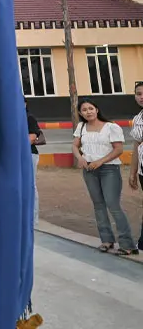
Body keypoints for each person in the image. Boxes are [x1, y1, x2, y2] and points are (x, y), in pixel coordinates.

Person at [72, 98, 137, 255]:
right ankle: (106, 240)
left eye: (91, 108)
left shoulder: (111, 127)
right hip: (89, 170)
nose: (88, 112)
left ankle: (127, 244)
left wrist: (100, 162)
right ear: (80, 113)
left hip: (109, 169)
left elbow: (118, 149)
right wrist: (80, 158)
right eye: (84, 110)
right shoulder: (81, 127)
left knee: (113, 205)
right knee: (98, 205)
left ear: (97, 109)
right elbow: (75, 145)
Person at [26, 98, 44, 226]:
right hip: (14, 156)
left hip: (28, 154)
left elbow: (32, 137)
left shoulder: (28, 117)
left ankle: (33, 218)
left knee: (30, 185)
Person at [131, 82, 143, 249]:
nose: (141, 96)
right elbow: (136, 146)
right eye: (138, 93)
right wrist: (132, 172)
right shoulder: (137, 119)